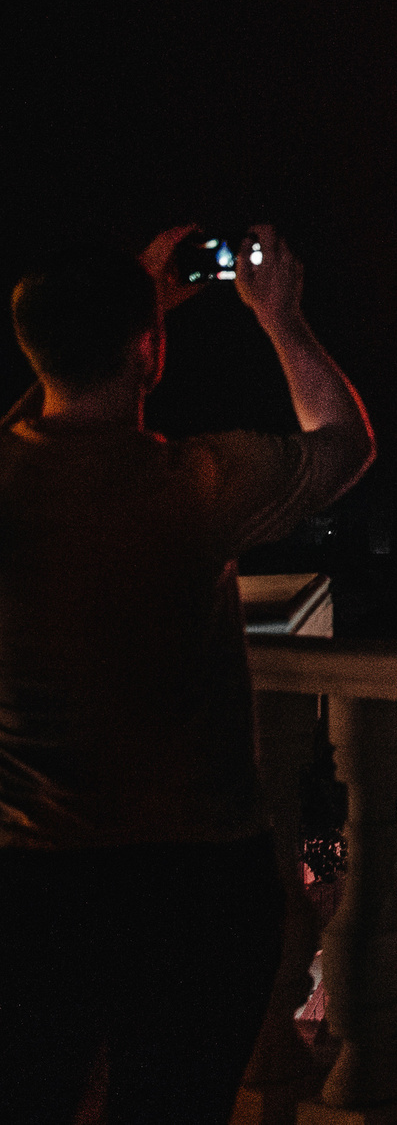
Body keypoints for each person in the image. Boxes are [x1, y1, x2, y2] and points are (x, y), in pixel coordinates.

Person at [2, 225, 374, 1124]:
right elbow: (343, 444)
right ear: (150, 354)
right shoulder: (195, 483)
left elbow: (36, 410)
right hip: (195, 887)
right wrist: (280, 319)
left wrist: (127, 305)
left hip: (31, 884)